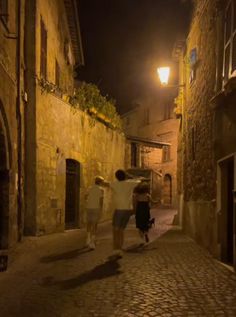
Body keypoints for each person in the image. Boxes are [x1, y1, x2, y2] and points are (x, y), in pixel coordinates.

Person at [109, 169, 141, 258]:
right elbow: (140, 180)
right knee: (121, 230)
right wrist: (130, 177)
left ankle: (116, 249)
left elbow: (105, 183)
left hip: (119, 209)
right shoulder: (130, 183)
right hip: (128, 210)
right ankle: (120, 249)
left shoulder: (114, 184)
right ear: (125, 176)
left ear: (116, 177)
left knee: (116, 230)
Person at [85, 175, 106, 250]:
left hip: (89, 207)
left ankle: (87, 239)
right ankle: (92, 242)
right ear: (100, 182)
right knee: (95, 224)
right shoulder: (101, 190)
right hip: (96, 208)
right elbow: (101, 201)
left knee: (89, 223)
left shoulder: (89, 188)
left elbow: (85, 197)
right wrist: (101, 209)